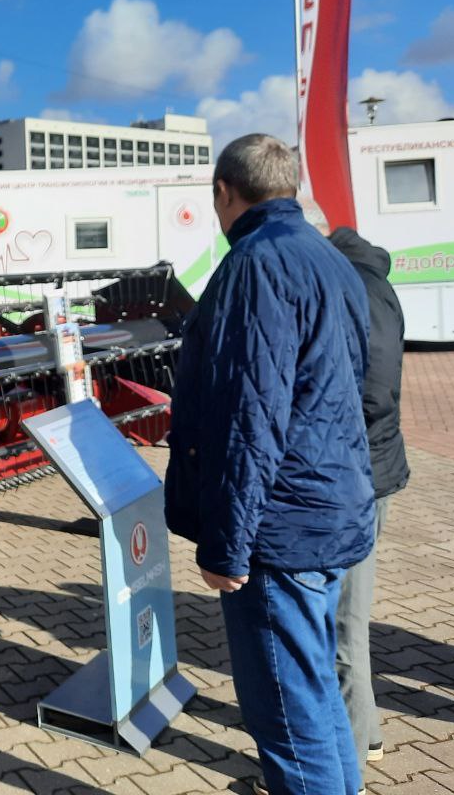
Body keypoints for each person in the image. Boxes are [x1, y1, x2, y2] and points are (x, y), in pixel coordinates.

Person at [164, 134, 375, 795]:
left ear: (224, 193)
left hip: (279, 531)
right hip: (329, 508)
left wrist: (226, 547)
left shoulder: (255, 266)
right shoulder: (330, 259)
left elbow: (249, 417)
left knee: (287, 720)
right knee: (316, 704)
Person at [328, 226, 411, 775]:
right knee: (346, 613)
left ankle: (351, 753)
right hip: (376, 467)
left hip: (358, 474)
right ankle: (368, 732)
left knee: (344, 620)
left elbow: (372, 391)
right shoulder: (375, 281)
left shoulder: (352, 287)